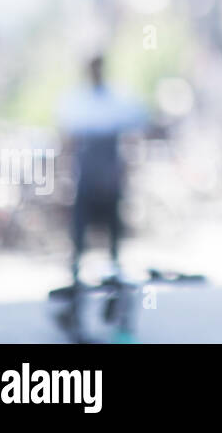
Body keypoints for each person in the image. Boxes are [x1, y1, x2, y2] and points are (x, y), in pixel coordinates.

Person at [57, 54, 148, 280]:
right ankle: (76, 264)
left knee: (112, 220)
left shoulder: (117, 99)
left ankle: (114, 264)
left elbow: (134, 128)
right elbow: (67, 139)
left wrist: (127, 165)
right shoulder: (76, 100)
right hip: (87, 169)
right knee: (81, 221)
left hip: (108, 169)